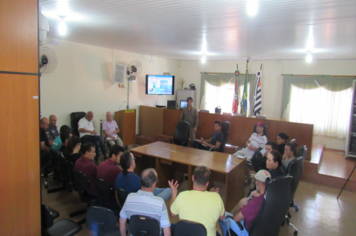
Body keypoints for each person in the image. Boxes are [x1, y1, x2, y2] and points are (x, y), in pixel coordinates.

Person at [169, 166, 225, 236]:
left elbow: (172, 213)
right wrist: (215, 195)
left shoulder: (182, 196)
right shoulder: (217, 197)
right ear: (207, 183)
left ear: (192, 178)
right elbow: (222, 217)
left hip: (186, 234)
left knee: (172, 226)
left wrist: (174, 193)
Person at [119, 168, 172, 236]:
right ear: (154, 184)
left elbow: (121, 221)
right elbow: (167, 232)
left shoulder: (129, 197)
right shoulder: (160, 203)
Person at [219, 170, 271, 236]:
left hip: (247, 231)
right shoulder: (271, 197)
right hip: (261, 229)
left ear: (258, 182)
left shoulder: (255, 202)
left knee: (222, 216)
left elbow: (236, 218)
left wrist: (239, 210)